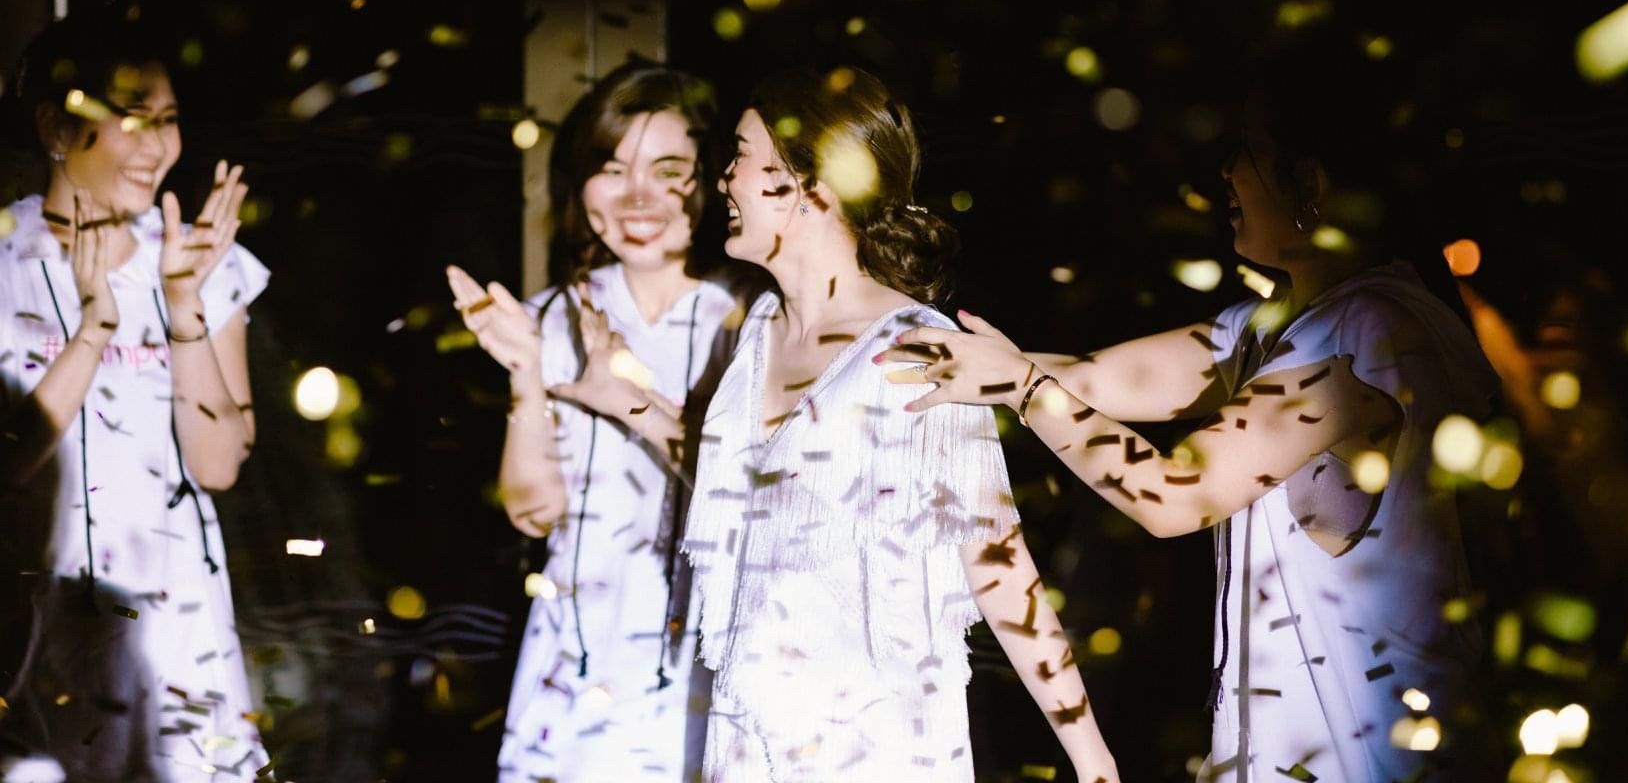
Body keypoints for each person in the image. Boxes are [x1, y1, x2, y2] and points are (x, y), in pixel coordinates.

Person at [880, 42, 1499, 782]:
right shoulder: (1268, 329)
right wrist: (902, 353)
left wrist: (1022, 388)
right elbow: (1091, 378)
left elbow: (1176, 495)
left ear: (1311, 182)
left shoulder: (1373, 328)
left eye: (1247, 152)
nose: (1226, 172)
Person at [568, 65, 1119, 783]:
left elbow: (998, 563)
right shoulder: (759, 327)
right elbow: (751, 497)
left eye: (742, 157)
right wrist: (627, 401)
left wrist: (1092, 759)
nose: (725, 179)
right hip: (747, 746)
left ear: (811, 184)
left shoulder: (919, 349)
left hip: (878, 749)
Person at [446, 60, 747, 782]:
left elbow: (756, 495)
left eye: (668, 171)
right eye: (612, 170)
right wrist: (526, 370)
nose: (638, 196)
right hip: (578, 657)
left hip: (708, 648)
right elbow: (532, 511)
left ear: (708, 181)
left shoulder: (746, 321)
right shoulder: (552, 316)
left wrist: (627, 398)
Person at [0, 9, 269, 781]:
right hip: (38, 619)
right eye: (133, 118)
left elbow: (218, 465)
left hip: (171, 620)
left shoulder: (200, 258)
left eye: (169, 121)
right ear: (56, 127)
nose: (157, 146)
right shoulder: (7, 260)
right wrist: (93, 330)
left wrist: (184, 307)